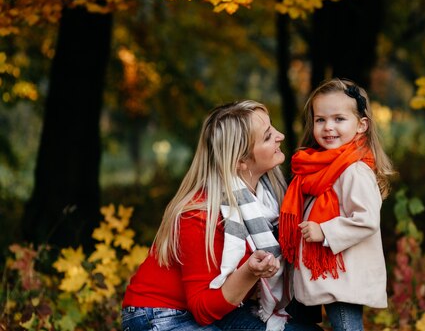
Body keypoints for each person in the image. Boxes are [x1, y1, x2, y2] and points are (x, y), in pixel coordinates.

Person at [121, 100, 322, 331]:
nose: (281, 136)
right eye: (267, 136)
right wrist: (249, 272)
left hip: (225, 311)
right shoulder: (199, 214)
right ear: (240, 162)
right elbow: (202, 309)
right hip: (160, 313)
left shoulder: (271, 198)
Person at [279, 78, 394, 331]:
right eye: (320, 119)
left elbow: (366, 220)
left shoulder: (354, 170)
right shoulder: (314, 167)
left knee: (346, 328)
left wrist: (324, 231)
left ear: (361, 125)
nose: (328, 127)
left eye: (339, 119)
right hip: (323, 275)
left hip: (343, 278)